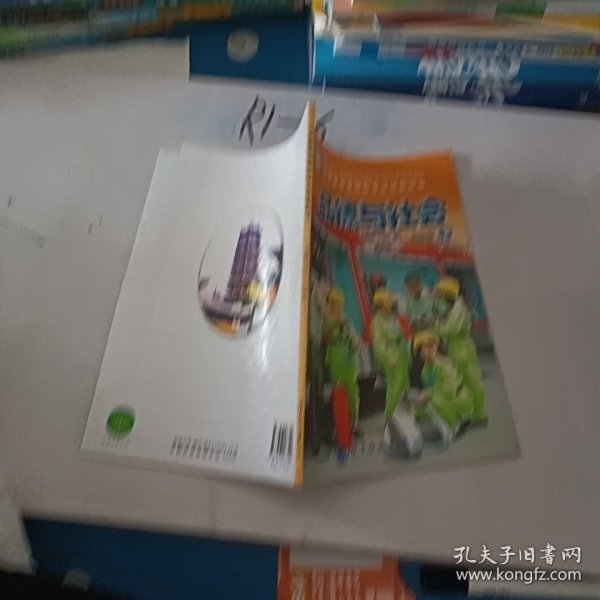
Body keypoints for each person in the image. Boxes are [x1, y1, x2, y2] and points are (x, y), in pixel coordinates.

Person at [432, 277, 488, 424]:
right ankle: (472, 412)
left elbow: (450, 329)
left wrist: (437, 326)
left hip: (461, 347)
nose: (439, 298)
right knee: (462, 382)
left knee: (471, 381)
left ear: (447, 294)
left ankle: (480, 415)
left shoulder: (458, 308)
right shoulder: (453, 308)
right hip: (456, 346)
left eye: (440, 294)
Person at [412, 331, 474, 431]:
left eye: (432, 346)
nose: (430, 349)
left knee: (437, 401)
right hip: (443, 396)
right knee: (418, 407)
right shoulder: (425, 370)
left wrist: (428, 393)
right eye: (426, 347)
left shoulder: (445, 364)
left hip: (458, 397)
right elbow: (430, 387)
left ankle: (455, 424)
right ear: (419, 353)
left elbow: (450, 388)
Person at [322, 287, 361, 431]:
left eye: (337, 303)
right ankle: (341, 427)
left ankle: (354, 423)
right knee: (339, 395)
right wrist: (335, 324)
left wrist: (356, 341)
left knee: (353, 393)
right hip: (336, 361)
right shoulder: (327, 319)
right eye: (332, 303)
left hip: (350, 361)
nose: (335, 306)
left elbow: (355, 338)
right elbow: (325, 338)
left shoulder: (346, 318)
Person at [370, 287, 410, 421]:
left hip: (402, 355)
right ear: (380, 304)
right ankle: (390, 417)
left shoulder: (391, 318)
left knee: (404, 386)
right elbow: (379, 345)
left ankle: (404, 416)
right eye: (388, 302)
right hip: (392, 359)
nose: (391, 304)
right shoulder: (377, 322)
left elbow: (400, 337)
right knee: (395, 389)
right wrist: (388, 359)